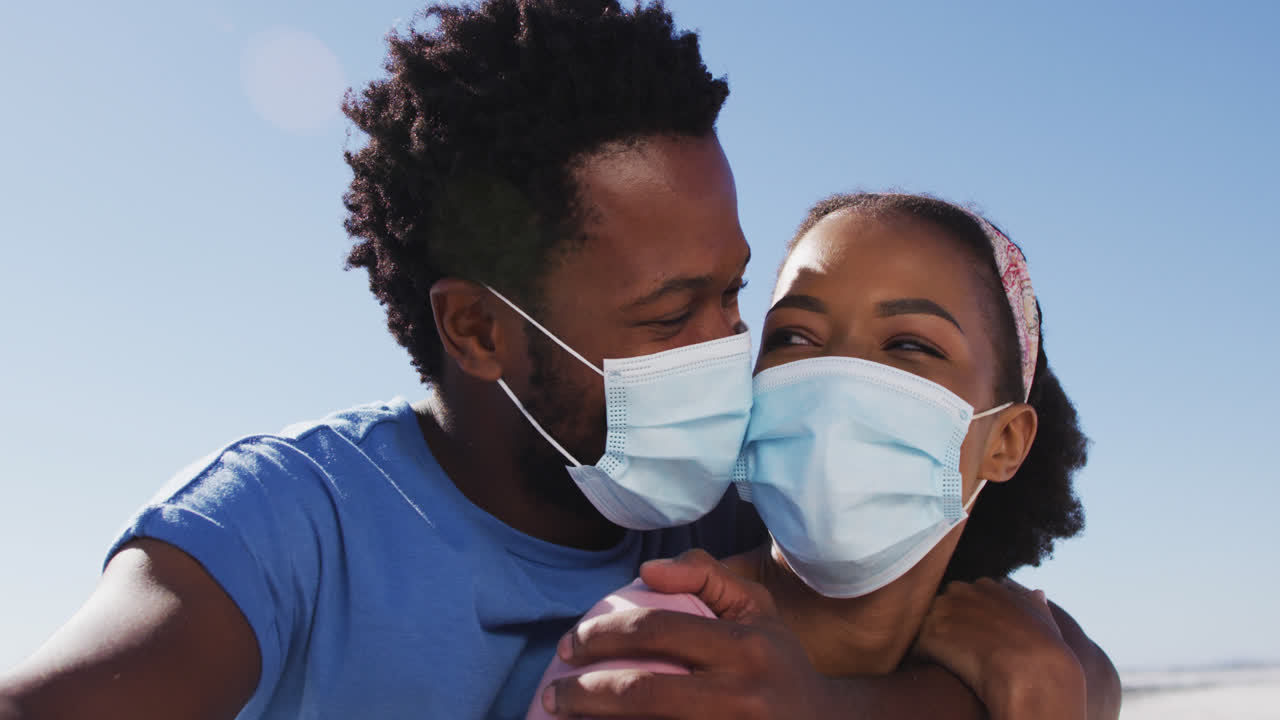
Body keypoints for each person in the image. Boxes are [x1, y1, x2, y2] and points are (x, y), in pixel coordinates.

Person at [0, 2, 1117, 718]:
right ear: (480, 332)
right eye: (672, 314)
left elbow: (1043, 660)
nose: (729, 355)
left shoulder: (730, 511)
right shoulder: (290, 524)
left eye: (735, 297)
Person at [530, 193, 1119, 720]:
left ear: (1006, 441)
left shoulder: (1022, 649)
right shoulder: (652, 656)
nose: (835, 379)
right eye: (794, 337)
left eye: (908, 345)